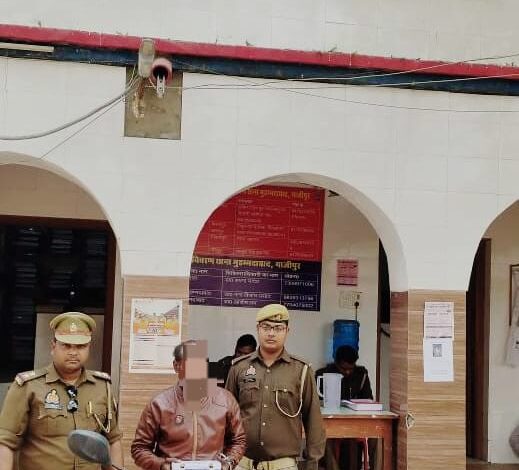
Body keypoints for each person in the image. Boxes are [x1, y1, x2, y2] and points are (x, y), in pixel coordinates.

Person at [0, 311, 123, 470]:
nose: (73, 352)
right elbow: (6, 442)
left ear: (89, 347)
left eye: (80, 346)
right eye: (66, 345)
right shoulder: (28, 386)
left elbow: (113, 440)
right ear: (53, 346)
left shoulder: (102, 387)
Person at [226, 303, 326, 470]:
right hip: (242, 463)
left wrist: (312, 463)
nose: (271, 333)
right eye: (266, 327)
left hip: (283, 466)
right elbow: (227, 417)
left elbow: (313, 421)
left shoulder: (301, 371)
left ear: (287, 331)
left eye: (278, 328)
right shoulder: (239, 368)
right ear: (258, 329)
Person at [131, 340, 247, 470]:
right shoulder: (160, 403)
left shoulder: (225, 400)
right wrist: (162, 464)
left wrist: (228, 463)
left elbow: (238, 440)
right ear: (176, 366)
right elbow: (139, 448)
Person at [315, 345, 373, 470]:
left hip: (354, 422)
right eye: (343, 368)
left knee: (372, 437)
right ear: (336, 363)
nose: (347, 372)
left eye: (350, 368)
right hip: (330, 422)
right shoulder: (323, 374)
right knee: (324, 438)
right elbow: (316, 401)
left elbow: (368, 399)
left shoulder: (361, 375)